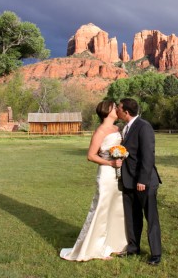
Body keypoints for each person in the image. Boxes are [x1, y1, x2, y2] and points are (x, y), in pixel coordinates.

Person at [60, 100, 127, 261]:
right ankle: (95, 248)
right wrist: (110, 162)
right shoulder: (101, 131)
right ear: (107, 110)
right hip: (105, 174)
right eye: (114, 106)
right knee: (101, 208)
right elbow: (91, 155)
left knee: (117, 207)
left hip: (118, 173)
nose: (117, 108)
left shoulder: (118, 128)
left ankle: (116, 245)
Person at [116, 98, 162, 265]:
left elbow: (148, 155)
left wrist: (142, 179)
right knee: (132, 217)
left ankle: (156, 254)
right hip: (128, 181)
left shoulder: (144, 127)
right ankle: (133, 248)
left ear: (126, 112)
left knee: (151, 218)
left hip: (145, 181)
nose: (117, 111)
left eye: (119, 108)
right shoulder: (124, 128)